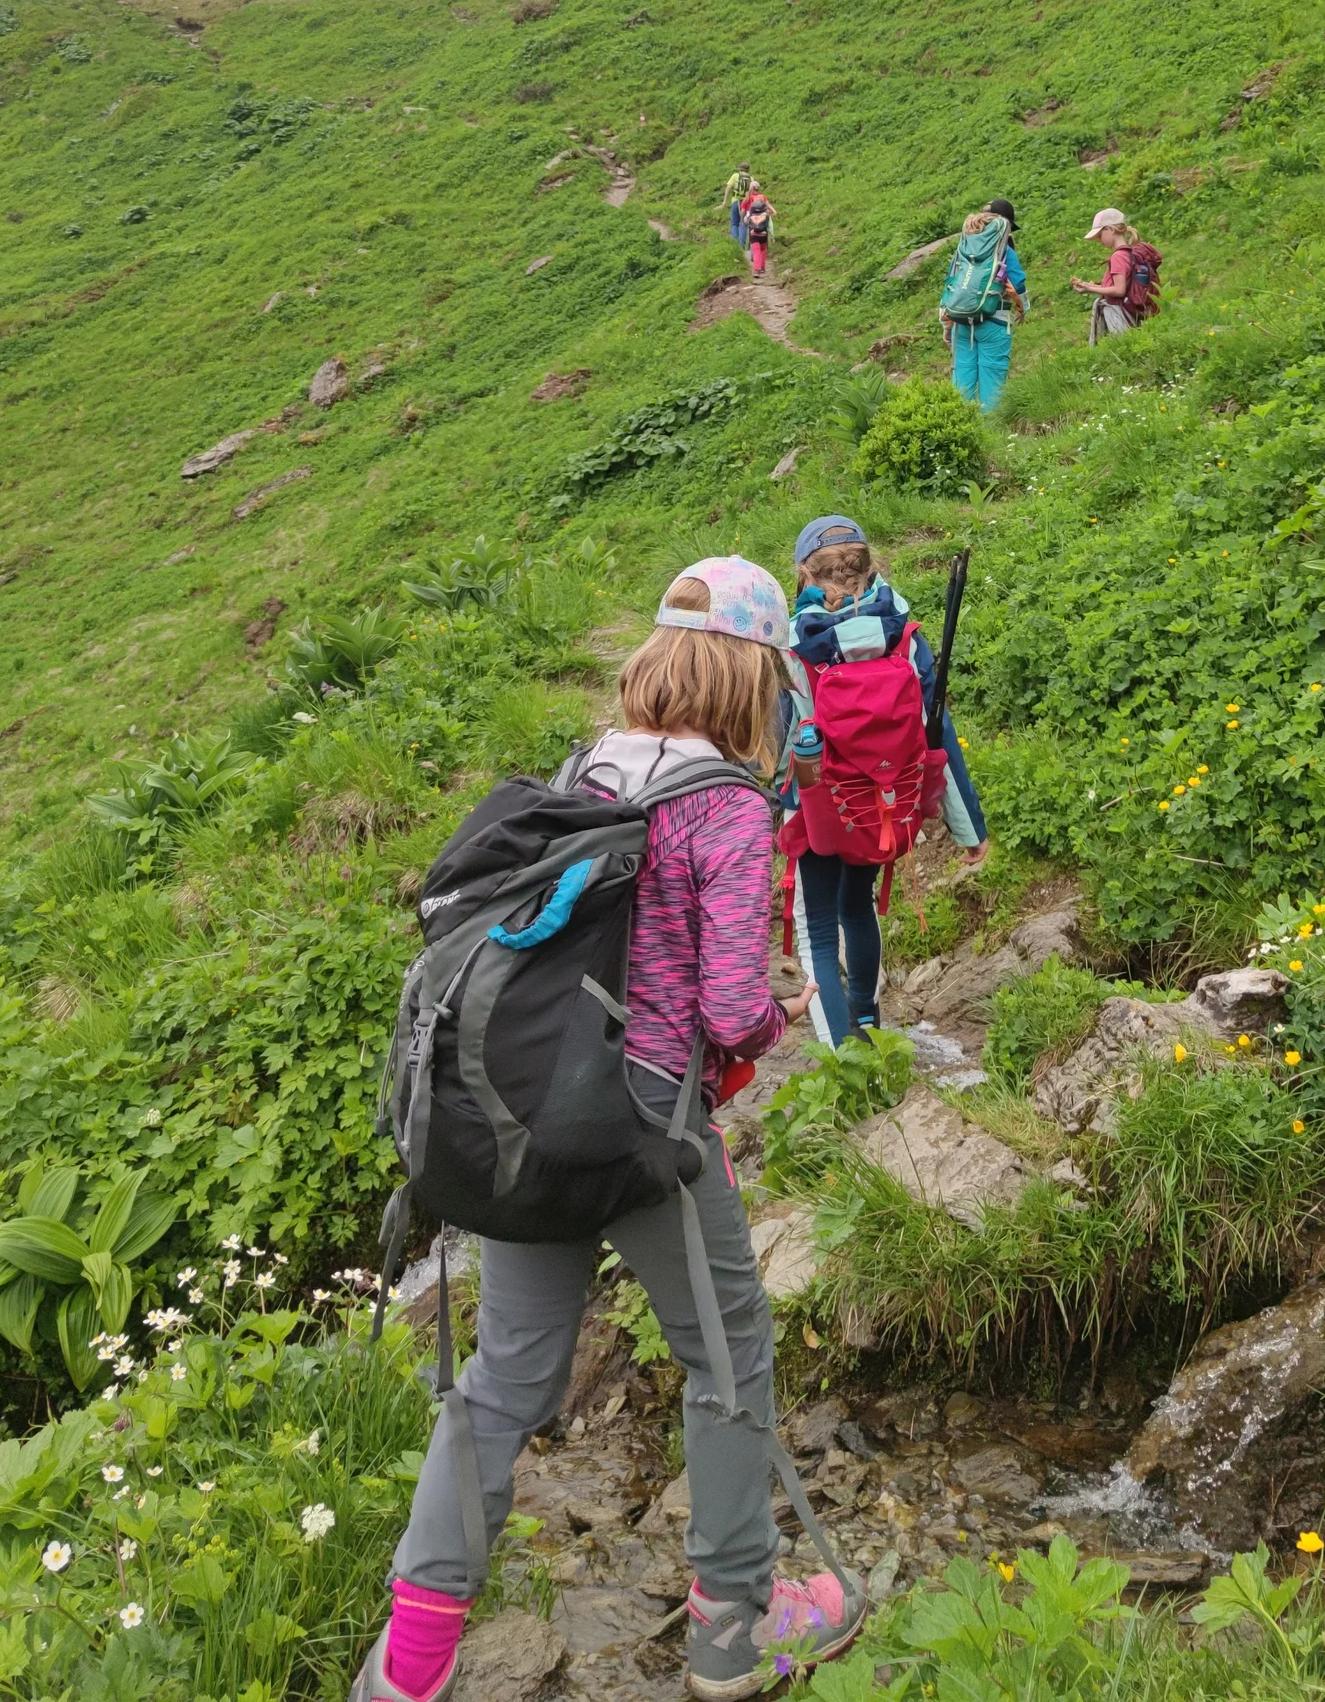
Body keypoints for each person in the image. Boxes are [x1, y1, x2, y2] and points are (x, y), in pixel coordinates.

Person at [351, 557, 863, 1702]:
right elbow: (731, 1006)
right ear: (759, 674)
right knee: (728, 1354)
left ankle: (410, 1669)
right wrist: (775, 1020)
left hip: (530, 1126)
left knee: (503, 1385)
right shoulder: (726, 804)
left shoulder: (589, 766)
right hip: (645, 1139)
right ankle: (736, 1623)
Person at [778, 516, 992, 1048]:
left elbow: (777, 741)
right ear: (870, 566)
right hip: (883, 804)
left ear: (804, 574)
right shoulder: (906, 638)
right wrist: (970, 830)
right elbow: (938, 734)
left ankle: (844, 1060)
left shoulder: (792, 646)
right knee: (858, 908)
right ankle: (868, 1021)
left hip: (815, 810)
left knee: (819, 931)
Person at [939, 198, 1027, 413]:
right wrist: (1022, 307)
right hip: (994, 321)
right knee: (993, 384)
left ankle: (961, 433)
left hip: (960, 322)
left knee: (962, 382)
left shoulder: (964, 248)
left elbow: (951, 283)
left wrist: (946, 326)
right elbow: (1018, 285)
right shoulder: (1004, 251)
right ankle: (992, 437)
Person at [1071, 207, 1159, 345]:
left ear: (1110, 230)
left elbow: (1119, 290)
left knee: (1123, 346)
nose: (1100, 240)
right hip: (1129, 311)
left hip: (1117, 313)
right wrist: (1090, 285)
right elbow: (1119, 286)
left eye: (1100, 235)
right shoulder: (1127, 253)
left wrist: (1090, 289)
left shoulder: (1118, 256)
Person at [741, 185, 775, 276]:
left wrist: (746, 220)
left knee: (756, 251)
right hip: (763, 235)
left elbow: (745, 221)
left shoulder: (750, 215)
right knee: (763, 250)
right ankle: (763, 267)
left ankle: (757, 269)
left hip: (754, 235)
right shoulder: (766, 215)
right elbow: (770, 227)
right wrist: (772, 237)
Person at [721, 161, 754, 250]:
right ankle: (742, 245)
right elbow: (752, 192)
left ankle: (734, 245)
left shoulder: (735, 176)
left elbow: (728, 188)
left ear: (740, 169)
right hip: (746, 202)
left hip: (735, 200)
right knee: (743, 223)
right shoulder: (751, 178)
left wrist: (724, 201)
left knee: (735, 223)